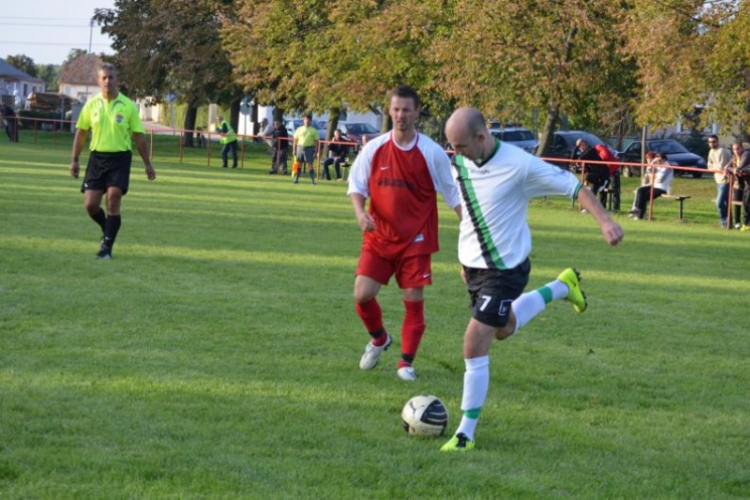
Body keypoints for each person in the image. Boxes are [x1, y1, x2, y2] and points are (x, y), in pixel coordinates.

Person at [440, 107, 623, 451]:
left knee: (474, 341)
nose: (456, 152)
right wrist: (465, 255)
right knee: (503, 329)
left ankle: (465, 432)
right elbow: (470, 210)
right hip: (475, 269)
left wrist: (605, 221)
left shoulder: (520, 164)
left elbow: (573, 187)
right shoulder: (462, 162)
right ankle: (562, 287)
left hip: (506, 270)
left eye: (460, 145)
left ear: (481, 137)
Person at [347, 85, 462, 381]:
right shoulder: (374, 148)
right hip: (379, 237)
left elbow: (454, 197)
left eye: (407, 110)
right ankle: (379, 339)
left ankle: (405, 363)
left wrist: (470, 233)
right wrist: (361, 214)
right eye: (396, 109)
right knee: (362, 295)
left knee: (413, 299)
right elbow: (356, 186)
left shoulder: (431, 153)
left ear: (417, 112)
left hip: (416, 240)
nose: (401, 115)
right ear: (390, 110)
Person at [69, 63, 156, 260]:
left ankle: (106, 249)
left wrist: (147, 164)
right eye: (104, 78)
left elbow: (139, 136)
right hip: (97, 158)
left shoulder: (128, 106)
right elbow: (81, 133)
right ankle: (106, 228)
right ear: (98, 81)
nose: (108, 81)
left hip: (120, 159)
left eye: (111, 77)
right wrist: (74, 160)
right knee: (90, 205)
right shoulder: (91, 105)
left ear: (117, 80)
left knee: (113, 198)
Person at [628, 151, 673, 220]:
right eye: (657, 160)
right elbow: (649, 170)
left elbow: (660, 179)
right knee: (640, 190)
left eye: (659, 160)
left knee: (644, 196)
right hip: (654, 185)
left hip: (662, 188)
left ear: (664, 159)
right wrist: (652, 162)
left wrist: (653, 176)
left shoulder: (667, 167)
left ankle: (639, 215)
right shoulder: (658, 165)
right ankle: (637, 209)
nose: (658, 162)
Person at [574, 138, 610, 209]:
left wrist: (578, 161)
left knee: (587, 177)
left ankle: (602, 184)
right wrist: (576, 147)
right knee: (593, 188)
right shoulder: (583, 153)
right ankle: (591, 207)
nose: (582, 147)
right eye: (580, 146)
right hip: (595, 175)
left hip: (602, 173)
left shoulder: (591, 150)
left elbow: (581, 158)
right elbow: (573, 158)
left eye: (583, 145)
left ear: (586, 145)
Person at [707, 135, 732, 227]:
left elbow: (721, 167)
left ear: (717, 141)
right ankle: (729, 223)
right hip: (718, 180)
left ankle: (725, 223)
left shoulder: (721, 151)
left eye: (713, 142)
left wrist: (714, 168)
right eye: (710, 142)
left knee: (719, 203)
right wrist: (714, 168)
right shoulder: (711, 151)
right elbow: (709, 166)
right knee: (725, 203)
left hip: (725, 180)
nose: (711, 144)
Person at [726, 142, 750, 231]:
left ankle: (746, 224)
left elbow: (740, 167)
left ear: (742, 148)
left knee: (746, 203)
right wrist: (730, 169)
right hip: (742, 184)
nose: (736, 151)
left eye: (738, 149)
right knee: (741, 202)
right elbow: (728, 167)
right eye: (734, 149)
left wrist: (735, 169)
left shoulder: (746, 154)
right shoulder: (736, 157)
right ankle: (739, 223)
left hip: (748, 184)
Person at [293, 114, 319, 184]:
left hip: (309, 148)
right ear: (303, 120)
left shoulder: (314, 130)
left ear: (310, 121)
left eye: (308, 120)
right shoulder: (299, 129)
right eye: (305, 119)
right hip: (300, 148)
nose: (307, 121)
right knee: (298, 163)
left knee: (310, 164)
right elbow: (295, 140)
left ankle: (313, 180)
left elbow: (316, 141)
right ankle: (296, 179)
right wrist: (294, 149)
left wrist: (316, 151)